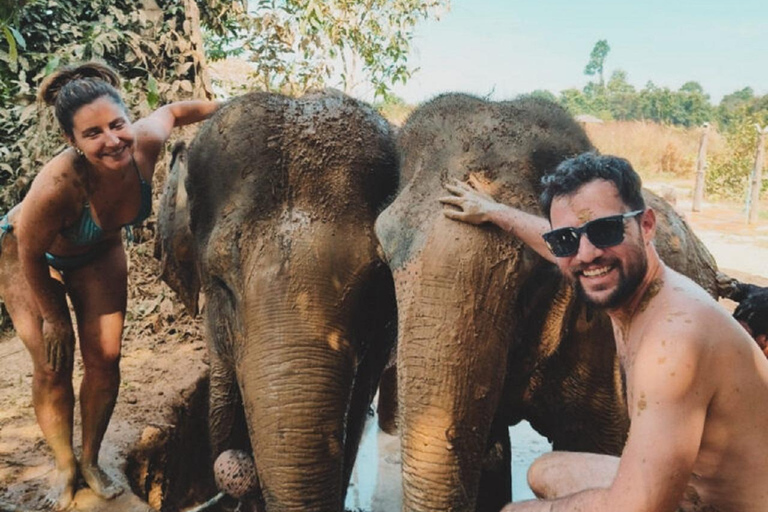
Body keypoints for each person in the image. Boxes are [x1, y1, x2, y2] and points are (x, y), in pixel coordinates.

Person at [439, 153, 768, 512]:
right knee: (544, 471)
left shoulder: (672, 343)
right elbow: (562, 242)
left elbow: (640, 508)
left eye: (605, 231)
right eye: (566, 240)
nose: (587, 254)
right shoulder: (634, 287)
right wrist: (492, 211)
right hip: (698, 493)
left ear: (646, 225)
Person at [0, 62, 220, 510]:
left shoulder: (147, 142)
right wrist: (56, 319)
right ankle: (64, 467)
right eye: (93, 133)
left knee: (104, 360)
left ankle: (91, 461)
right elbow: (27, 251)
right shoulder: (57, 184)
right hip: (25, 255)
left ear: (128, 119)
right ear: (72, 142)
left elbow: (175, 111)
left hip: (97, 249)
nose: (112, 139)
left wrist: (241, 107)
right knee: (51, 364)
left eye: (117, 124)